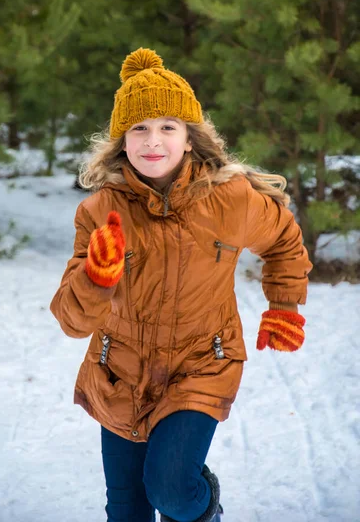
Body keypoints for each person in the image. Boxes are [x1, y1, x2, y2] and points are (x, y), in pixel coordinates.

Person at [50, 47, 313, 522]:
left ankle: (200, 502)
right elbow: (72, 321)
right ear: (122, 141)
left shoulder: (230, 200)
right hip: (120, 373)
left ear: (190, 139)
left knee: (172, 492)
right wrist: (96, 276)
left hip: (202, 363)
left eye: (168, 127)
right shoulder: (99, 212)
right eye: (140, 128)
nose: (154, 141)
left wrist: (285, 306)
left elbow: (283, 239)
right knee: (127, 511)